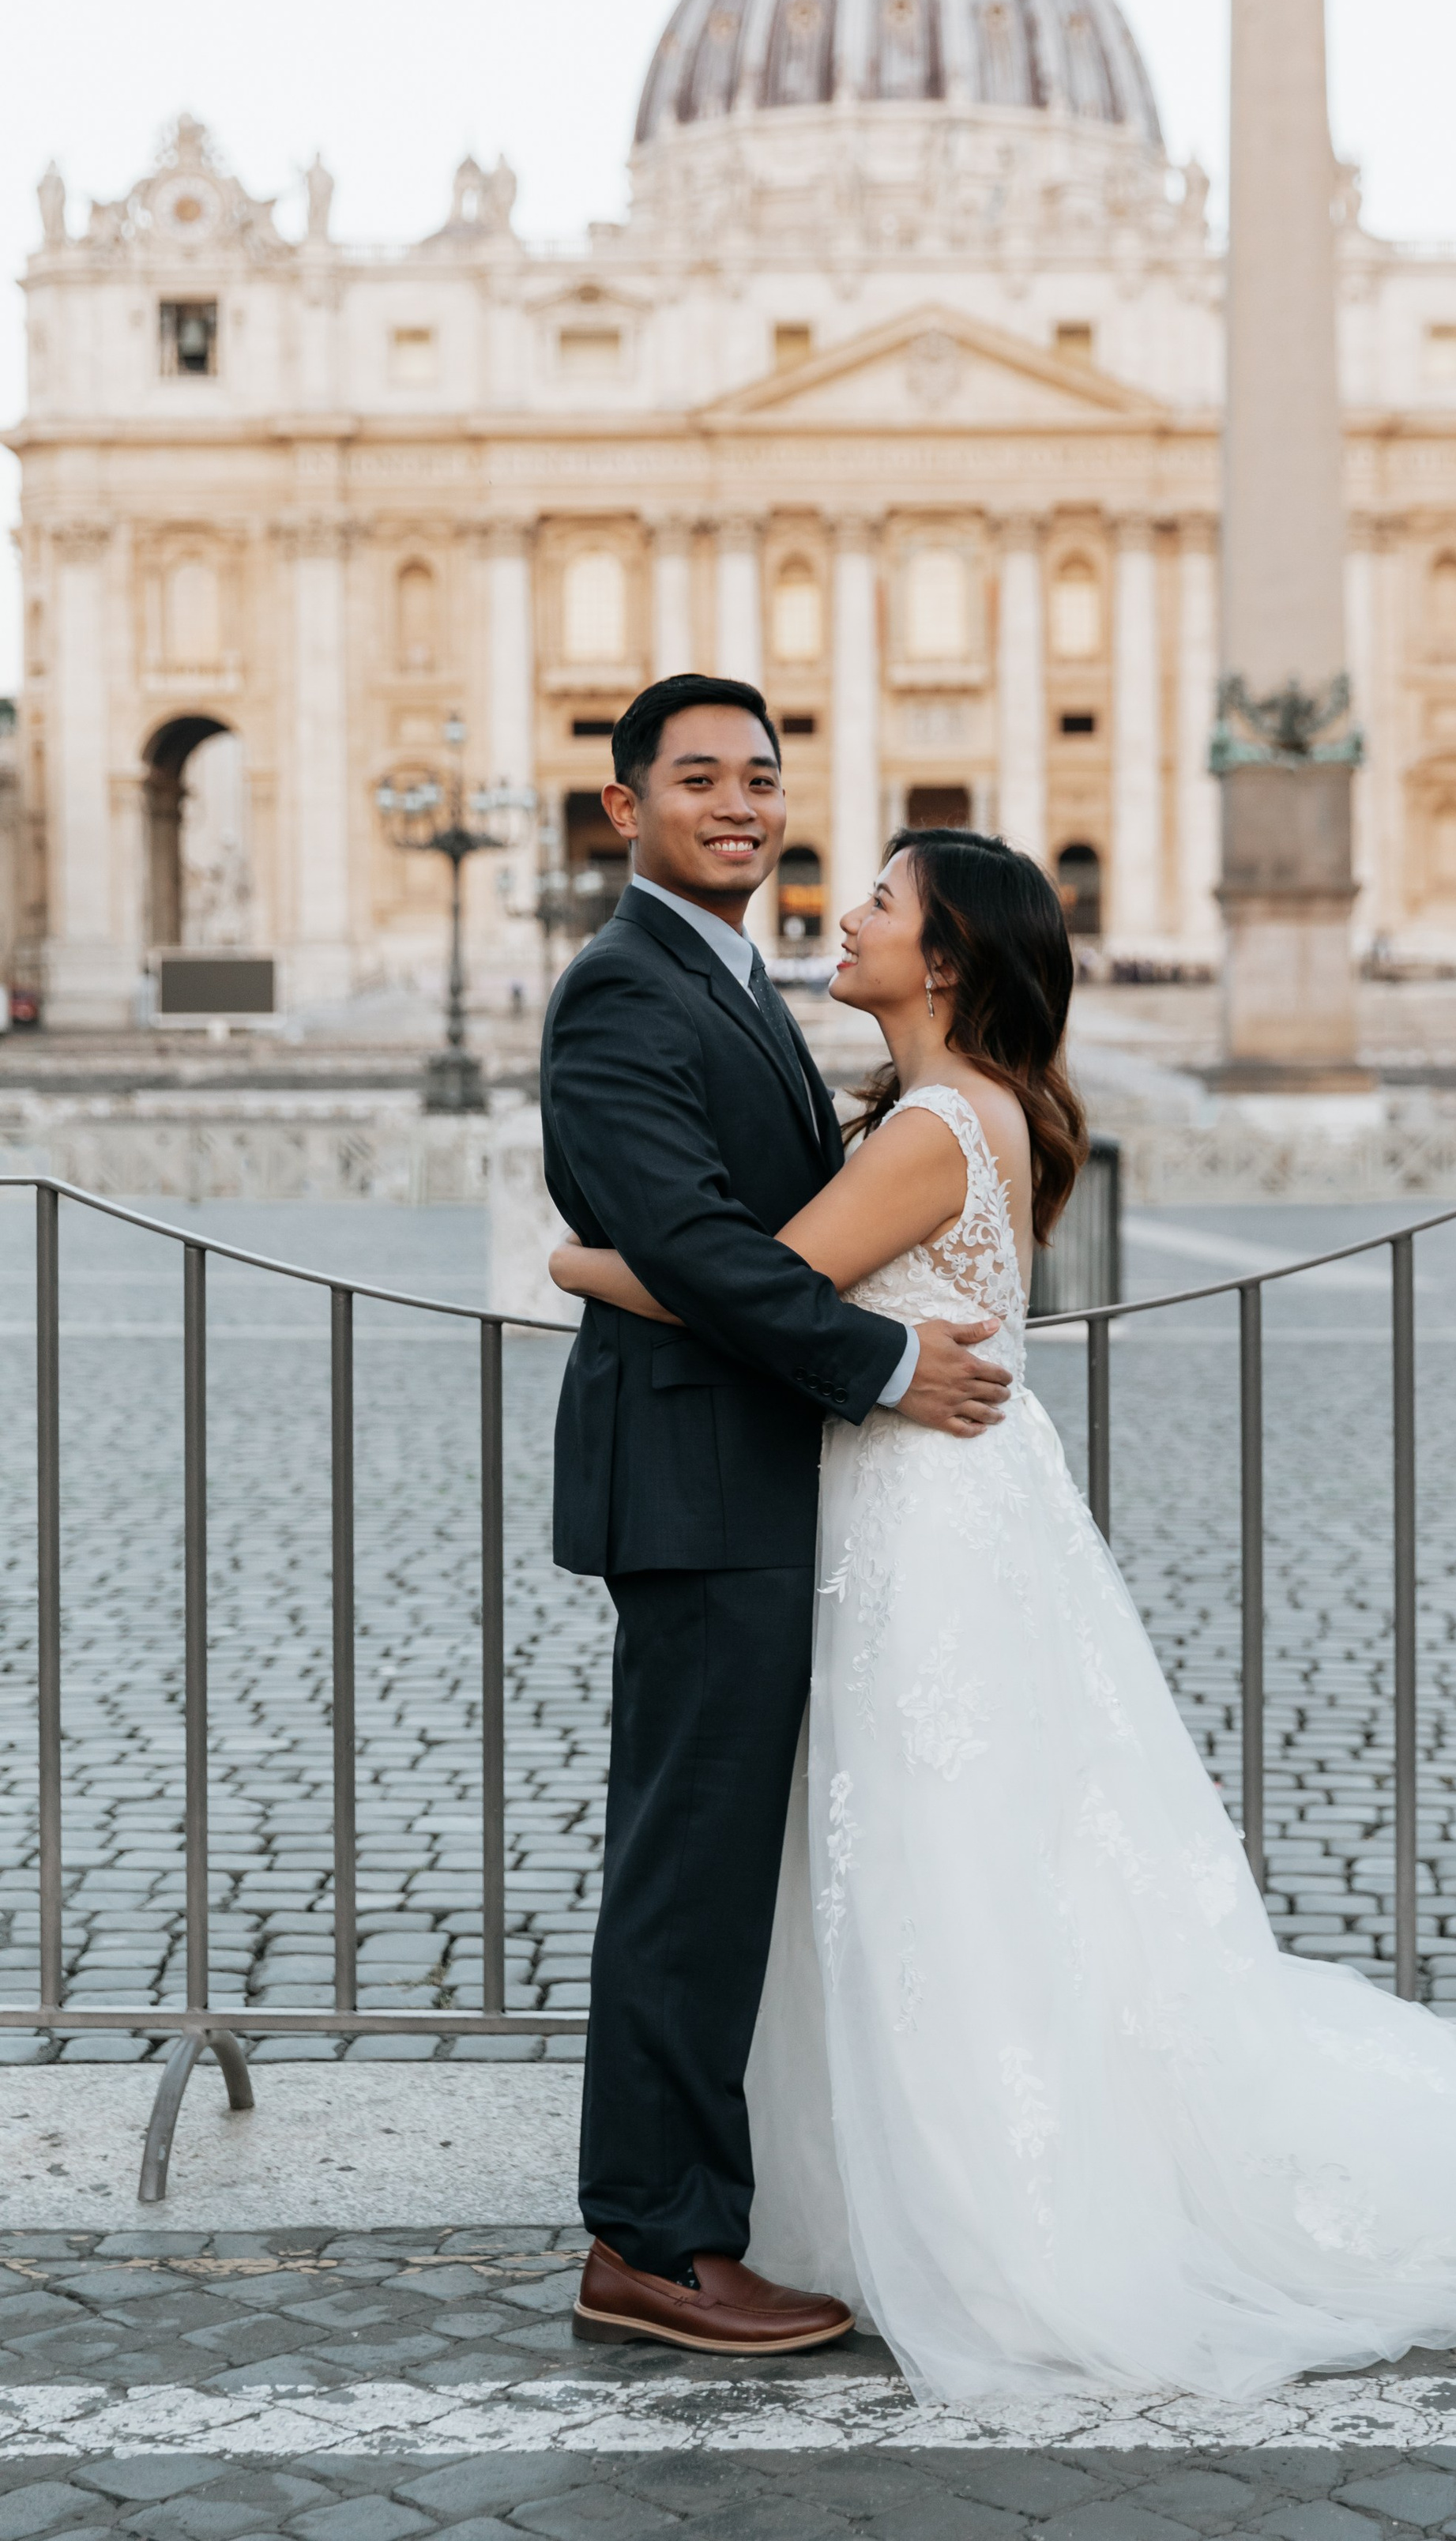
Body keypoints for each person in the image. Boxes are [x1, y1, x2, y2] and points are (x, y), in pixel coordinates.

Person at [552, 814, 1456, 2403]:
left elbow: (756, 1287)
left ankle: (986, 2208)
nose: (842, 910)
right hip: (947, 1510)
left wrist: (582, 1261)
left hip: (917, 1526)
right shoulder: (959, 1111)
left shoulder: (935, 1127)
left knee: (937, 1862)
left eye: (878, 899)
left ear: (940, 960)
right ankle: (928, 2178)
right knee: (977, 1861)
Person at [540, 676, 1013, 2362]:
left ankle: (688, 2214)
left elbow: (717, 1246)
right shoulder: (619, 993)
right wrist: (883, 1363)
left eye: (760, 774)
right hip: (695, 1484)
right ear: (624, 808)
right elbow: (703, 1250)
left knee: (723, 1865)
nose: (739, 802)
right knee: (690, 1871)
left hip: (741, 1472)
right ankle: (651, 2241)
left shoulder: (723, 977)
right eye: (698, 779)